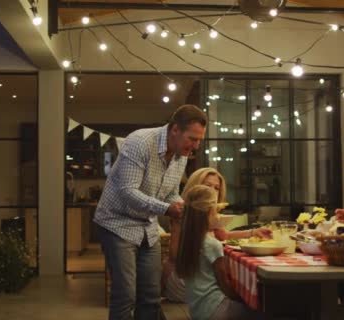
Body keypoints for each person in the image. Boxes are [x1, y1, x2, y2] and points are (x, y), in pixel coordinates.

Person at [94, 104, 207, 320]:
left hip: (147, 226)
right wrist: (167, 209)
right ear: (175, 129)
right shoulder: (140, 142)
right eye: (193, 138)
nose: (196, 145)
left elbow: (171, 193)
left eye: (199, 140)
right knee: (125, 295)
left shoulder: (181, 154)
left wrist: (183, 206)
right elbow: (128, 192)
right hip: (117, 223)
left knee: (151, 296)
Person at [162, 167, 271, 303]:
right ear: (195, 186)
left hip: (199, 277)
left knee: (238, 284)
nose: (213, 191)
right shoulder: (183, 211)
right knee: (236, 290)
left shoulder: (209, 215)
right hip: (184, 279)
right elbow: (174, 255)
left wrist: (254, 232)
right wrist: (201, 233)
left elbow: (224, 236)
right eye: (207, 185)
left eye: (216, 188)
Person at [176, 184, 258, 320]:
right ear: (210, 212)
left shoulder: (187, 241)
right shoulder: (212, 245)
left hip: (197, 312)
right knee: (262, 312)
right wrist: (246, 301)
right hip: (216, 311)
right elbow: (225, 286)